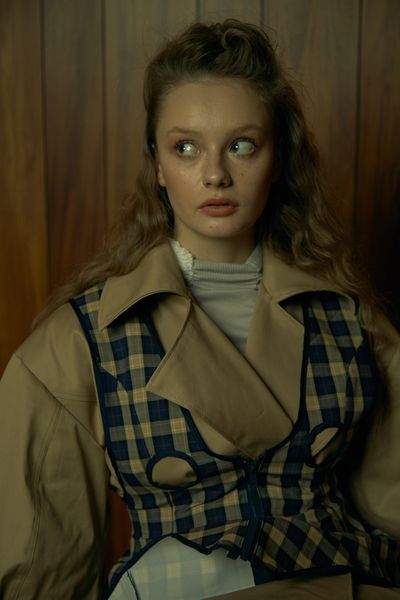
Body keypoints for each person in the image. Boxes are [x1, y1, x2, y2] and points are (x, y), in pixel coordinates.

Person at [0, 18, 399, 600]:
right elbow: (40, 568)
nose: (215, 173)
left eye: (241, 145)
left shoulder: (351, 320)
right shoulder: (79, 340)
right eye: (185, 147)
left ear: (278, 157)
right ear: (158, 166)